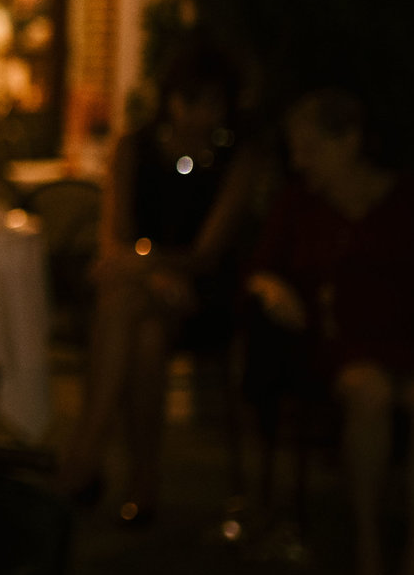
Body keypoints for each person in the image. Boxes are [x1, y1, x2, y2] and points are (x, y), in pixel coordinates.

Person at [244, 89, 414, 575]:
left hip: (410, 340)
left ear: (349, 142)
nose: (299, 162)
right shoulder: (300, 206)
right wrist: (272, 288)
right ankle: (369, 544)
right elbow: (260, 269)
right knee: (368, 391)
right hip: (339, 344)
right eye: (295, 149)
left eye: (310, 148)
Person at [57, 39, 266, 523]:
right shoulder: (135, 148)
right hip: (145, 291)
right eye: (190, 100)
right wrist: (152, 275)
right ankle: (142, 483)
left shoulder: (236, 159)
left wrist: (147, 266)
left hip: (199, 293)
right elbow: (115, 237)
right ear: (170, 98)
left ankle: (86, 455)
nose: (199, 114)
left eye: (213, 102)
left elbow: (207, 253)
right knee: (145, 334)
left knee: (122, 302)